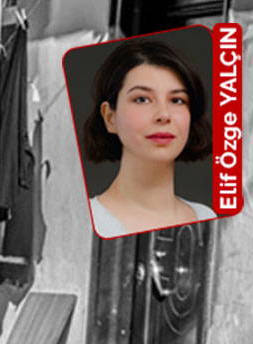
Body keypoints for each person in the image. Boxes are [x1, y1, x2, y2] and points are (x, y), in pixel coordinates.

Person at [82, 39, 214, 237]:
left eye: (177, 100)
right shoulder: (88, 220)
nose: (164, 115)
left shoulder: (205, 217)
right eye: (142, 99)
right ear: (110, 117)